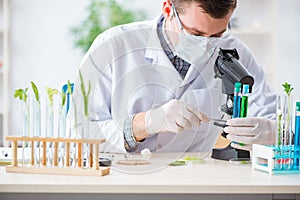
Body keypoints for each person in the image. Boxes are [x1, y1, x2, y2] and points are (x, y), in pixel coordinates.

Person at [76, 0, 276, 153]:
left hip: (201, 184)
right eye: (194, 33)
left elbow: (271, 113)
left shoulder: (233, 50)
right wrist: (145, 123)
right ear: (167, 9)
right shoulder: (112, 46)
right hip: (127, 183)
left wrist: (271, 132)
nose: (206, 44)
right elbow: (81, 133)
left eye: (216, 36)